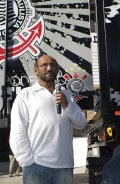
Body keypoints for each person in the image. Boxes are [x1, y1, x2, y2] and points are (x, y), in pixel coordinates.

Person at [9, 55, 87, 184]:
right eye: (44, 65)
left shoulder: (66, 94)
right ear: (35, 70)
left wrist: (66, 105)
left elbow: (81, 123)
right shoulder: (26, 95)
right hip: (37, 166)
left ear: (57, 69)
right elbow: (18, 131)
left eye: (52, 65)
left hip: (64, 166)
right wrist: (27, 161)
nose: (49, 68)